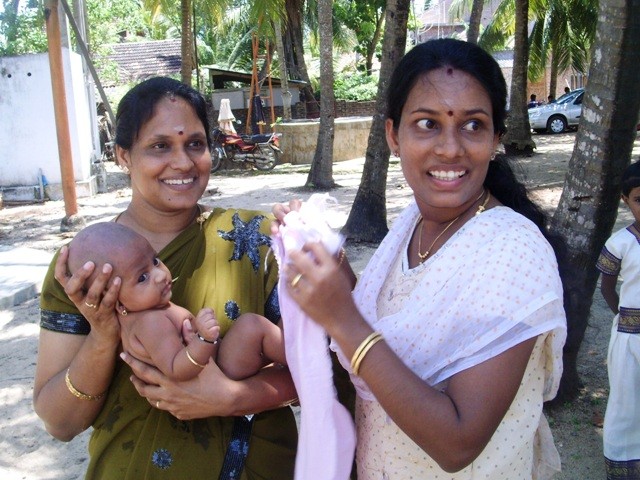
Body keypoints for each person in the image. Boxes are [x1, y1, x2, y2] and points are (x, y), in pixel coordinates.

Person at [274, 38, 567, 479]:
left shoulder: (514, 251)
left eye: (472, 125)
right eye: (427, 124)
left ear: (495, 139)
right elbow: (388, 332)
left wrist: (341, 318)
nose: (449, 148)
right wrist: (329, 266)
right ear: (394, 135)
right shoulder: (413, 223)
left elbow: (457, 442)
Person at [33, 76, 298, 479]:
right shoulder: (83, 268)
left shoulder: (257, 240)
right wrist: (104, 333)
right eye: (160, 146)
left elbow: (326, 372)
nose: (183, 163)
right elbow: (60, 423)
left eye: (195, 144)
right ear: (123, 155)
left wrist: (233, 398)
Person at [66, 222, 286, 383]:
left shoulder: (147, 310)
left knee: (253, 328)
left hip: (218, 366)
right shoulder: (150, 322)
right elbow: (175, 368)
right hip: (218, 374)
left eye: (155, 261)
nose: (160, 275)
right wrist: (203, 339)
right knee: (251, 326)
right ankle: (304, 359)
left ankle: (297, 361)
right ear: (115, 300)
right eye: (142, 278)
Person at [596, 160, 640, 478]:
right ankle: (624, 462)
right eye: (639, 199)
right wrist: (624, 320)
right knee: (626, 400)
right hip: (628, 337)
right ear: (626, 200)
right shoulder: (619, 243)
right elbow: (607, 288)